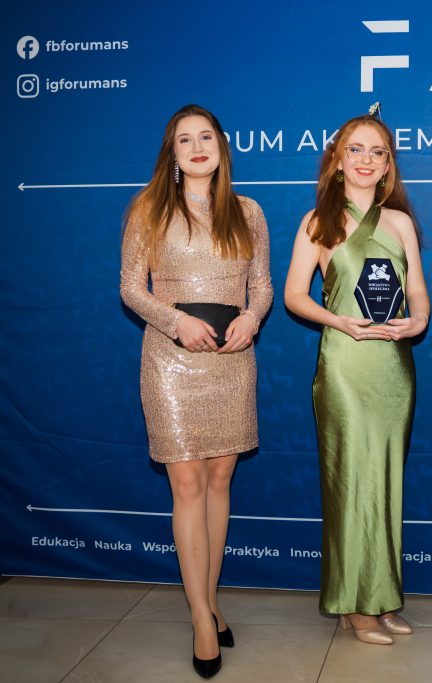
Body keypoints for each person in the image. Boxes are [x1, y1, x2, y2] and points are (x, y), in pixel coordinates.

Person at [120, 104, 272, 678]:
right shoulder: (148, 209)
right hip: (170, 360)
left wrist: (251, 319)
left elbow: (261, 286)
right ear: (173, 153)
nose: (197, 146)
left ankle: (208, 602)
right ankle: (202, 620)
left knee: (219, 481)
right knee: (186, 483)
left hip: (232, 360)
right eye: (184, 139)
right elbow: (131, 288)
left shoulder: (248, 211)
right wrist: (175, 321)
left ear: (221, 146)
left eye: (206, 136)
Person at [283, 108, 428, 645]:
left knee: (386, 484)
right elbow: (293, 296)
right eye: (356, 150)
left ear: (388, 165)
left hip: (393, 367)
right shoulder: (317, 221)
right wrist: (337, 320)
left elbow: (418, 294)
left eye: (378, 152)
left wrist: (418, 321)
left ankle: (380, 598)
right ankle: (353, 604)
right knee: (350, 484)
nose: (367, 160)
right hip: (344, 364)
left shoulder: (400, 222)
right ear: (338, 160)